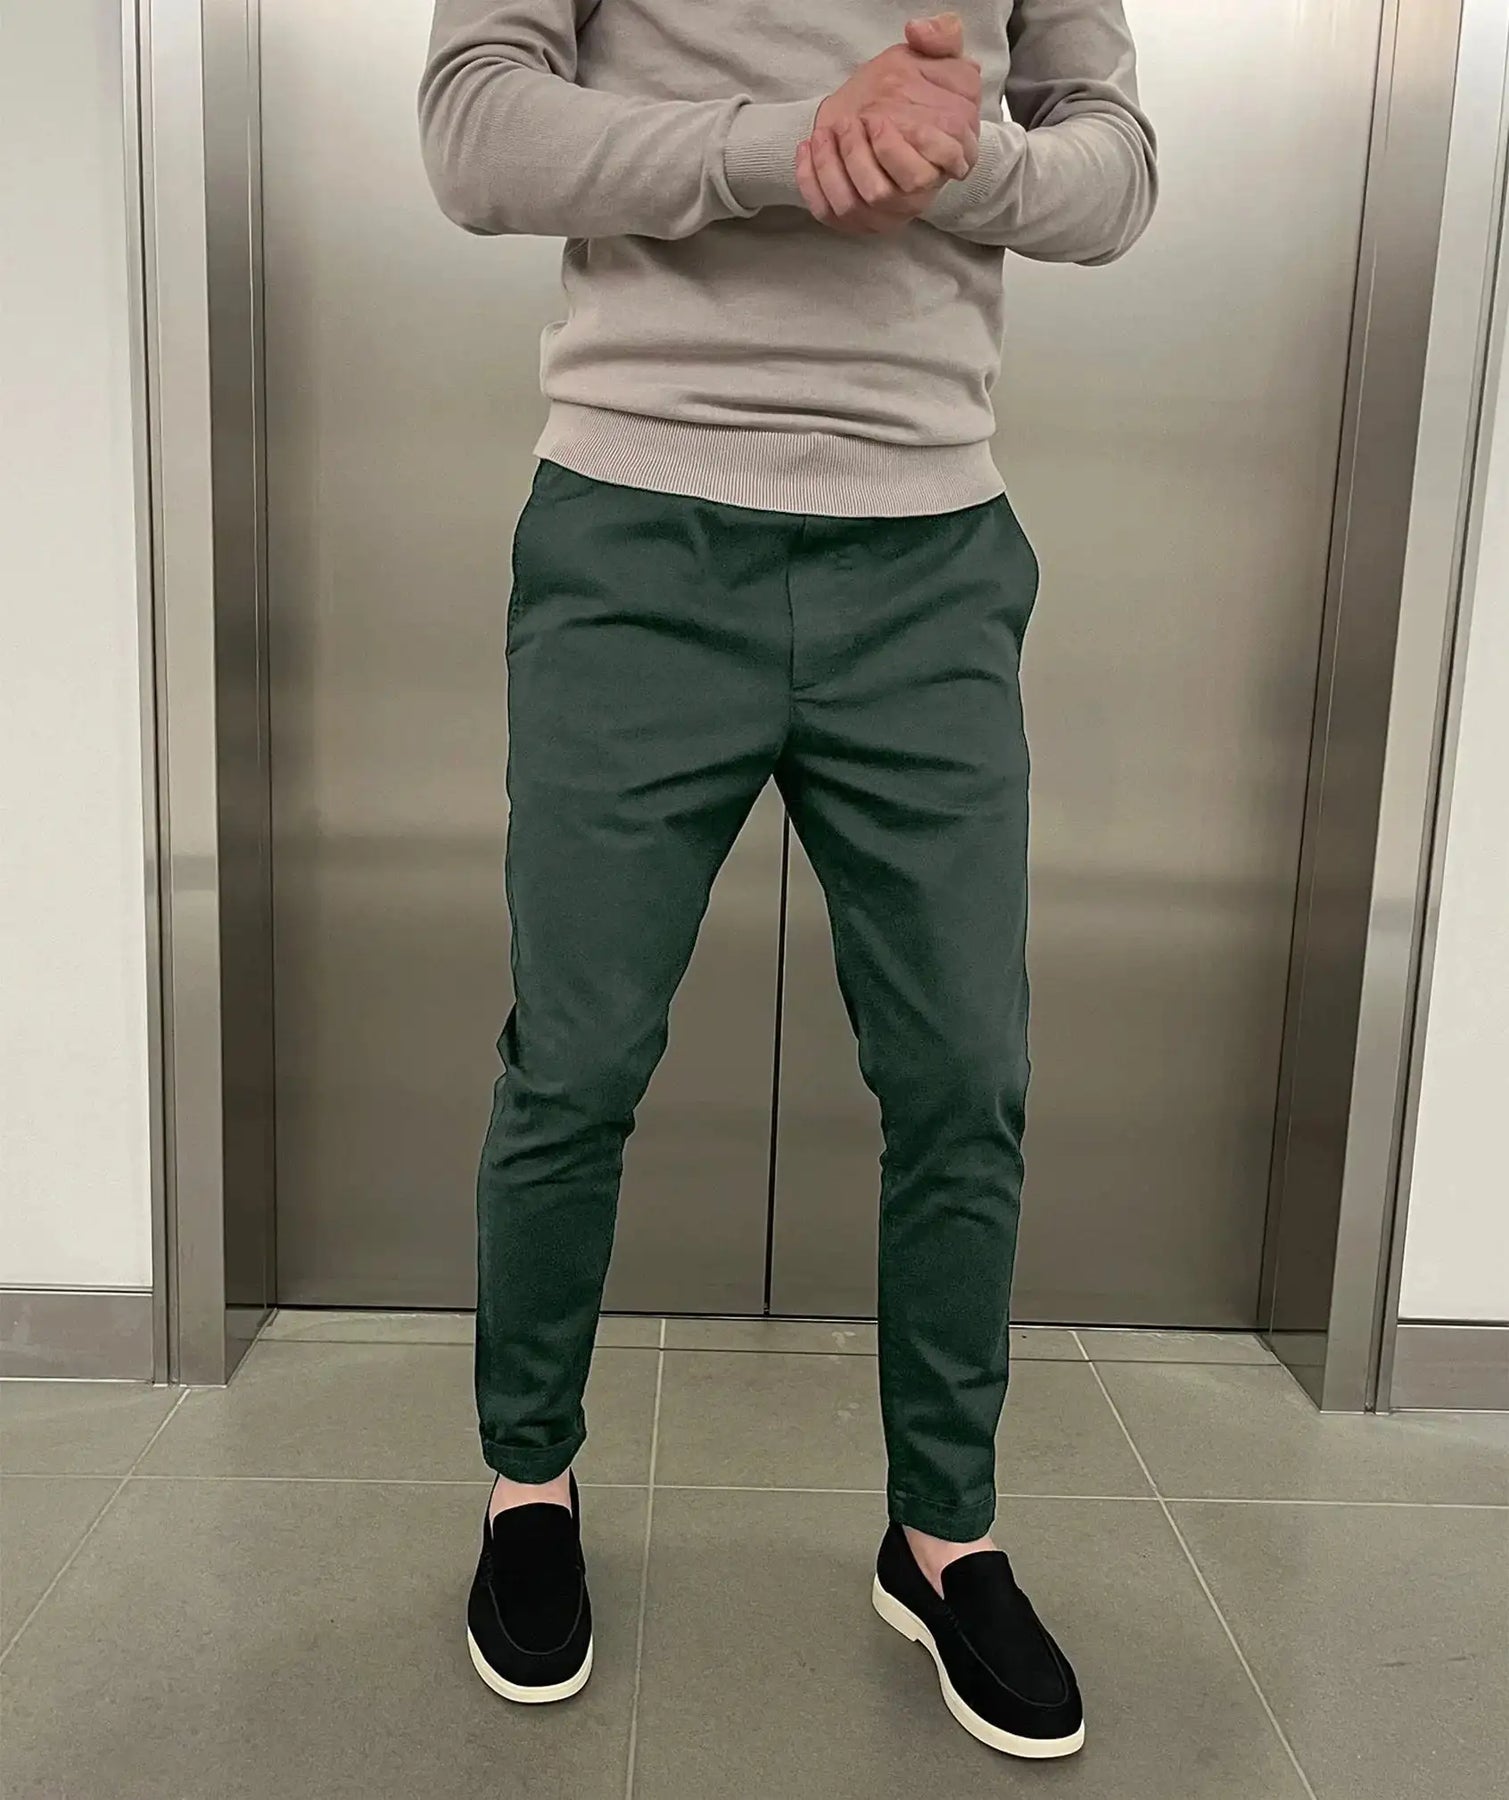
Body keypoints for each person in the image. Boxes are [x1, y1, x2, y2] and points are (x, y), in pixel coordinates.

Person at [419, 0, 1155, 1758]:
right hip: (631, 534)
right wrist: (794, 140)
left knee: (964, 1072)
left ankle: (941, 1535)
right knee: (577, 1057)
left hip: (932, 551)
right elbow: (473, 130)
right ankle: (529, 1486)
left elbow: (1116, 170)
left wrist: (951, 159)